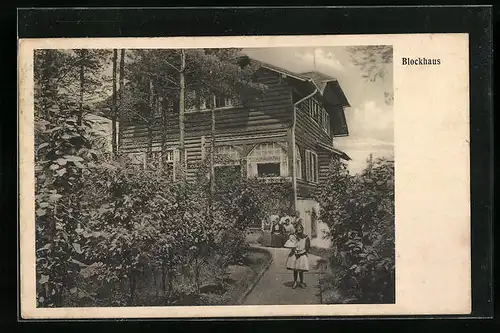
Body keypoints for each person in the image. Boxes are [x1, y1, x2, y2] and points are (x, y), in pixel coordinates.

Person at [284, 224, 310, 289]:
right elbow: (290, 244)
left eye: (300, 230)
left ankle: (301, 282)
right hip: (295, 254)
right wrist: (294, 249)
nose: (299, 231)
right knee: (295, 269)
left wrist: (303, 252)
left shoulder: (305, 237)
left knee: (301, 269)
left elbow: (307, 247)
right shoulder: (293, 237)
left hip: (302, 253)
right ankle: (295, 282)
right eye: (297, 230)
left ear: (302, 230)